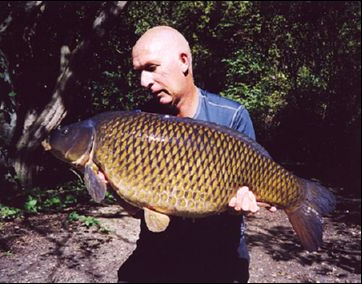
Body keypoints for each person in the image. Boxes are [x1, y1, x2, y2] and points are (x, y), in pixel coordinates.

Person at [105, 25, 275, 283]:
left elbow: (254, 187)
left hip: (219, 259)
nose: (143, 82)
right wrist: (116, 187)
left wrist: (247, 202)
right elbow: (141, 212)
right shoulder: (138, 124)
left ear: (184, 61)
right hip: (158, 255)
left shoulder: (231, 116)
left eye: (151, 68)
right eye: (138, 73)